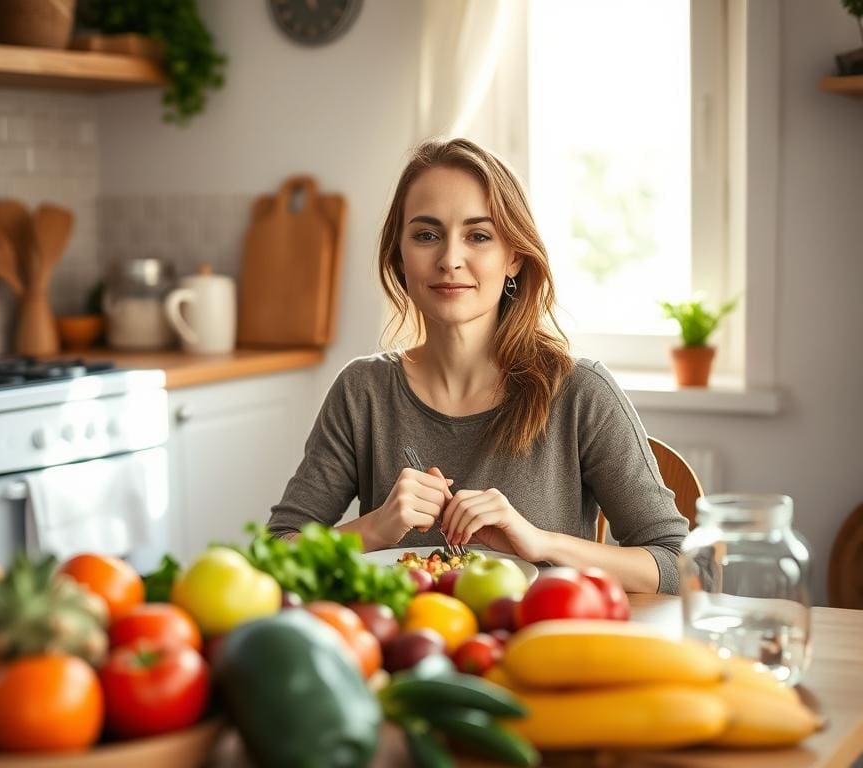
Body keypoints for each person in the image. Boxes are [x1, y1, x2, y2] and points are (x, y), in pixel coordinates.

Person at [267, 138, 688, 594]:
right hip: (400, 657)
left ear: (514, 257)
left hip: (537, 654)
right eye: (426, 235)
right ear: (399, 257)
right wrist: (371, 530)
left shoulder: (579, 391)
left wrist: (539, 543)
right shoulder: (362, 391)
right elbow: (275, 556)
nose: (450, 259)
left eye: (479, 236)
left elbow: (681, 565)